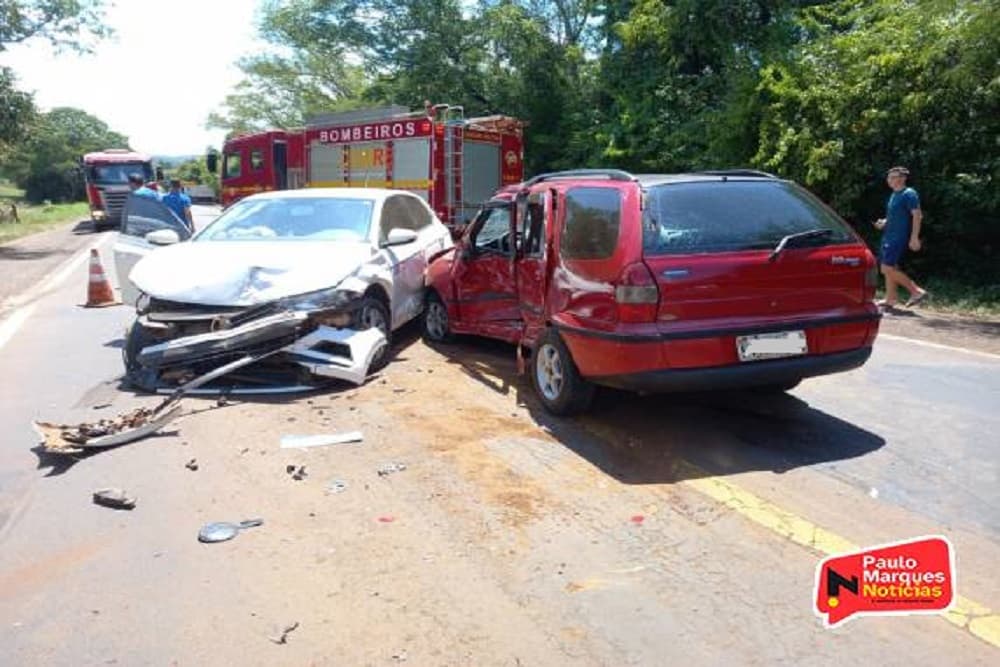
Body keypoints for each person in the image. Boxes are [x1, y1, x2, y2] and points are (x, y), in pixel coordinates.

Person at [873, 166, 928, 309]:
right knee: (890, 267)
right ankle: (891, 299)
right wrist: (884, 222)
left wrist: (914, 237)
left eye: (893, 177)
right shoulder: (894, 194)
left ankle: (916, 291)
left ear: (902, 178)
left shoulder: (909, 193)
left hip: (898, 237)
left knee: (886, 269)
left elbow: (917, 215)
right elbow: (895, 216)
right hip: (888, 235)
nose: (889, 180)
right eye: (888, 177)